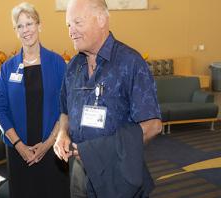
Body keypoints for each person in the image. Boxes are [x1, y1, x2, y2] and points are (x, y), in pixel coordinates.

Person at [53, 0, 162, 197]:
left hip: (117, 172)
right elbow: (65, 111)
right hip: (79, 171)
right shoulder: (73, 67)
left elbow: (153, 125)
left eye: (78, 23)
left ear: (102, 20)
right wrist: (62, 133)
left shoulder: (130, 63)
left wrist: (100, 150)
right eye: (68, 25)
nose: (71, 31)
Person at [0, 2, 70, 198]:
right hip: (19, 152)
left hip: (53, 149)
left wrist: (48, 143)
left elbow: (66, 105)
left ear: (39, 26)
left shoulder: (57, 63)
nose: (25, 30)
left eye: (29, 23)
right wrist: (19, 145)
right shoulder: (8, 68)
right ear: (15, 31)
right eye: (20, 26)